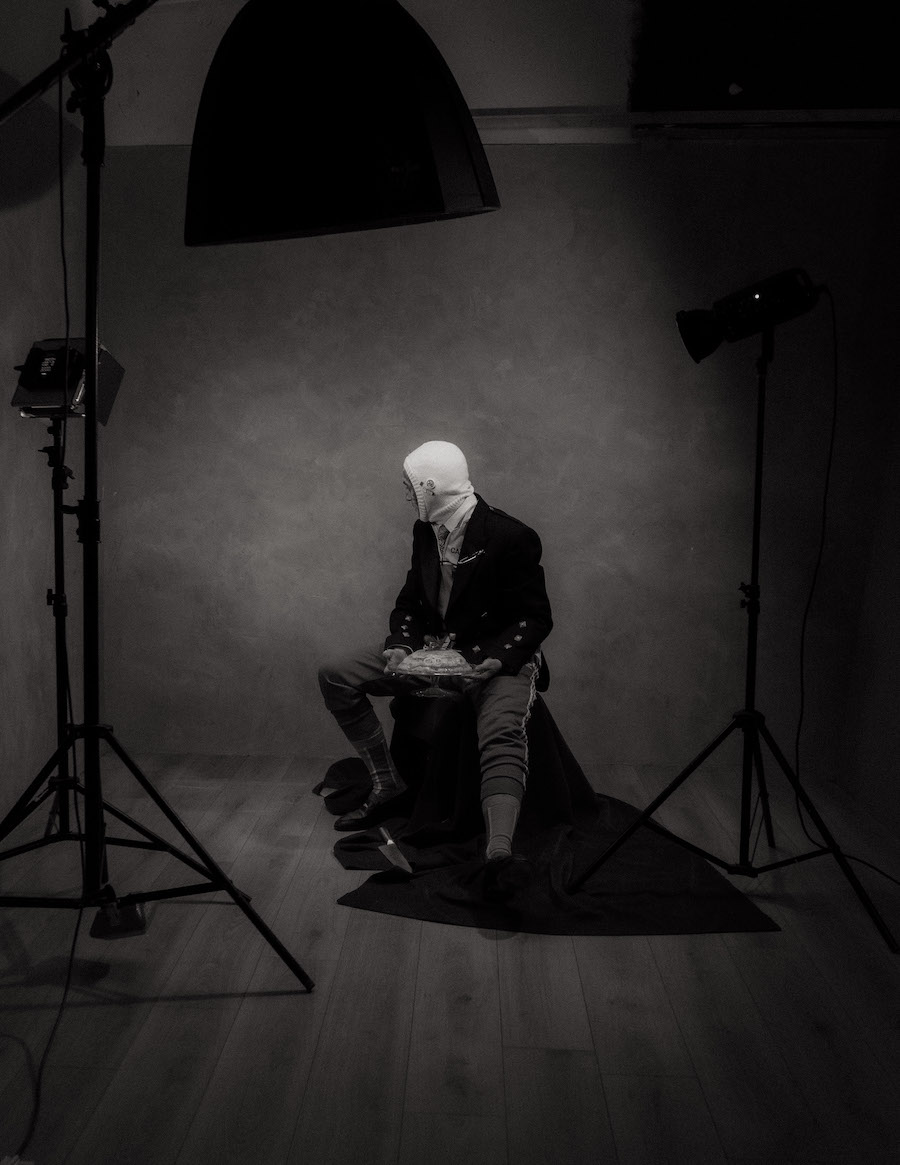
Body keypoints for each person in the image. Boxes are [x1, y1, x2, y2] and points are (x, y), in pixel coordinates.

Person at [317, 440, 552, 871]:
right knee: (335, 673)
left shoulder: (511, 536)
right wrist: (401, 645)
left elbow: (534, 619)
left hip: (493, 658)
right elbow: (410, 599)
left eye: (410, 486)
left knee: (501, 734)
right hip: (434, 650)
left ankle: (499, 851)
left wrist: (495, 660)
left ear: (431, 487)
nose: (406, 494)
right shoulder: (425, 529)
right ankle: (387, 784)